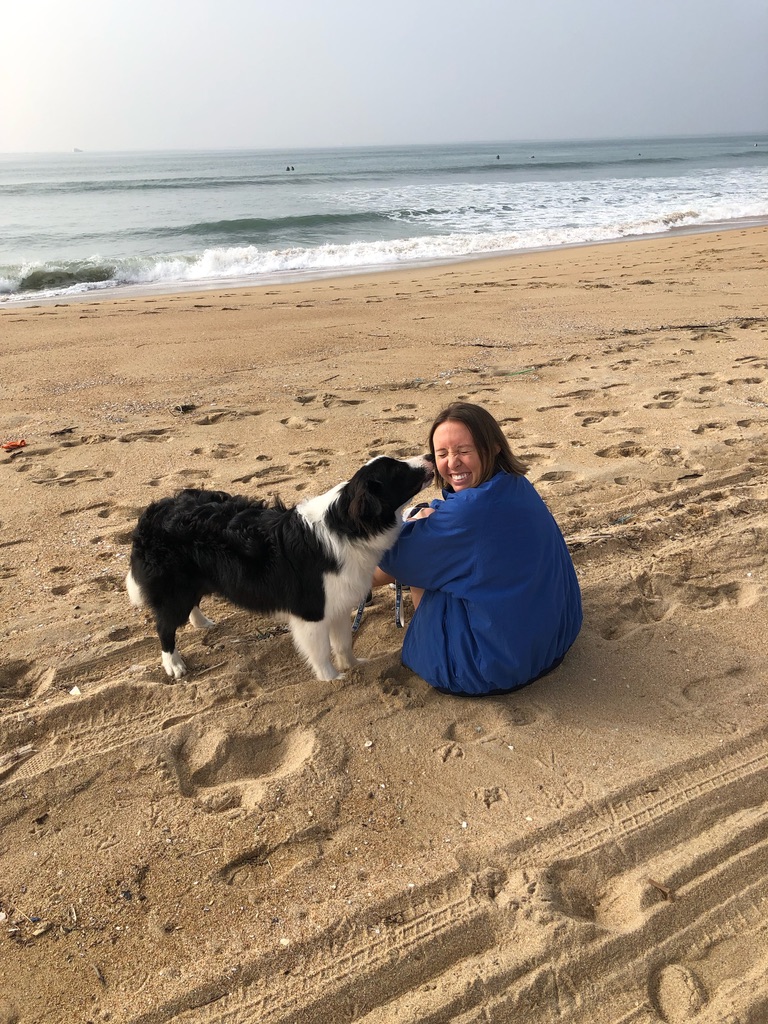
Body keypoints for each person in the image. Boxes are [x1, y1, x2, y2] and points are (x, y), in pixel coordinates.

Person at [373, 402, 582, 696]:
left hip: (485, 669)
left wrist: (414, 525)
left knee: (411, 555)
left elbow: (385, 564)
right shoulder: (514, 483)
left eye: (463, 451)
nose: (452, 463)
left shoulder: (468, 514)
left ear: (494, 446)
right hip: (554, 639)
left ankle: (348, 602)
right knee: (430, 534)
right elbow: (467, 523)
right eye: (442, 454)